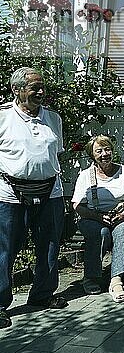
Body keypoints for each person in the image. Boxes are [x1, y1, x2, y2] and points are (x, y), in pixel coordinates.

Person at [0, 67, 68, 329]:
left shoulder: (53, 118)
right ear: (16, 90)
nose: (41, 91)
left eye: (42, 87)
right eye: (34, 87)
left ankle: (42, 295)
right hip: (9, 193)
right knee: (6, 250)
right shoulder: (3, 117)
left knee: (50, 245)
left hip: (51, 190)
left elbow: (55, 154)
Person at [72, 135, 124, 303]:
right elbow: (77, 206)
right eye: (99, 151)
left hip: (120, 214)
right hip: (92, 216)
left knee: (123, 230)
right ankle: (91, 277)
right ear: (92, 155)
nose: (104, 154)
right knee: (100, 233)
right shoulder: (86, 175)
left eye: (107, 149)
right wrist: (98, 217)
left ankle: (116, 280)